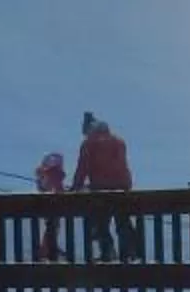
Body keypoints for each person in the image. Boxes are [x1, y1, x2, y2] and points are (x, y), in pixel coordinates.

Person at [71, 112, 140, 261]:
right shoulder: (118, 141)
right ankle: (132, 251)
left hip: (101, 190)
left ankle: (107, 252)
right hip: (122, 188)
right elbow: (120, 167)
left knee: (99, 222)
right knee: (123, 221)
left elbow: (83, 168)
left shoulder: (89, 143)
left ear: (88, 129)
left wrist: (75, 188)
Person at [32, 148, 67, 261]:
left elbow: (42, 187)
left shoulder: (43, 173)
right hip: (54, 203)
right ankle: (47, 250)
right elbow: (57, 189)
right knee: (53, 226)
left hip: (47, 203)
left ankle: (47, 249)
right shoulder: (54, 174)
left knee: (52, 226)